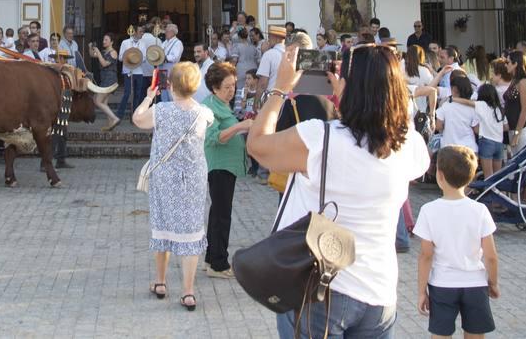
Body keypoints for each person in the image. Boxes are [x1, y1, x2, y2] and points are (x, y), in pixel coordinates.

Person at [247, 42, 430, 337]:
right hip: (378, 291)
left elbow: (257, 146)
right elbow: (374, 134)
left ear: (349, 88)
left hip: (323, 288)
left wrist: (281, 89)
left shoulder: (320, 139)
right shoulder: (409, 145)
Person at [132, 61, 214, 312]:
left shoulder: (161, 110)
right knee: (191, 230)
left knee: (163, 226)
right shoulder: (203, 113)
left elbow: (137, 119)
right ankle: (188, 292)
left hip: (164, 178)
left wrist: (148, 98)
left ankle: (160, 281)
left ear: (169, 85)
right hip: (193, 179)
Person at [415, 146, 499, 339]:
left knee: (441, 333)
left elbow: (426, 255)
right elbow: (491, 256)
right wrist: (493, 282)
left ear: (440, 175)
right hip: (475, 283)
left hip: (442, 283)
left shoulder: (429, 210)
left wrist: (421, 291)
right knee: (476, 333)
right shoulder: (480, 211)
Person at [201, 61, 250, 279]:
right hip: (219, 166)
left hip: (226, 167)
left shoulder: (221, 104)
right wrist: (240, 126)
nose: (231, 91)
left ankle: (212, 258)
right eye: (227, 87)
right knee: (222, 215)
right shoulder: (209, 107)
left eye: (233, 86)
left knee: (218, 214)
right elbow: (214, 138)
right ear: (214, 87)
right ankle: (218, 264)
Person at [436, 71, 481, 155]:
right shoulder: (472, 107)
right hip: (469, 149)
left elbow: (438, 126)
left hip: (449, 149)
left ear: (453, 89)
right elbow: (476, 129)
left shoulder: (446, 106)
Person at [503, 51, 526, 154]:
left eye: (507, 62)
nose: (505, 64)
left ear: (515, 63)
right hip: (513, 129)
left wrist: (517, 134)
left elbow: (525, 109)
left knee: (525, 164)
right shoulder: (514, 80)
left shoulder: (524, 82)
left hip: (523, 130)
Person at [88, 33, 123, 130]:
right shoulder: (104, 52)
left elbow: (103, 63)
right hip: (105, 79)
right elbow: (92, 55)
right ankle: (110, 123)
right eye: (103, 40)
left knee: (97, 101)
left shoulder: (113, 53)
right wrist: (90, 47)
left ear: (111, 42)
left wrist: (98, 51)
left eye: (106, 40)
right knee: (104, 103)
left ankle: (115, 118)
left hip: (110, 80)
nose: (103, 41)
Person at [117, 25, 152, 119]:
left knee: (137, 94)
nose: (142, 34)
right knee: (127, 93)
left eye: (142, 32)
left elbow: (144, 58)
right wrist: (129, 58)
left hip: (139, 71)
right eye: (140, 32)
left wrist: (137, 59)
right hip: (128, 71)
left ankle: (135, 116)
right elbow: (120, 57)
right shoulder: (125, 42)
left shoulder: (143, 43)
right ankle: (119, 115)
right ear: (135, 32)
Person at [473, 83, 506, 179]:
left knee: (488, 176)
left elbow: (475, 129)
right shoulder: (500, 109)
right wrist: (495, 128)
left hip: (486, 142)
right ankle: (497, 193)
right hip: (499, 143)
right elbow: (506, 126)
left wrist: (485, 129)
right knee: (496, 178)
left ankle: (488, 193)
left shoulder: (481, 107)